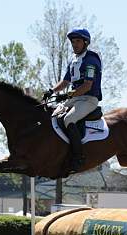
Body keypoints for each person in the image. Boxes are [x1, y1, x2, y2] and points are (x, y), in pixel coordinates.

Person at [43, 28, 102, 173]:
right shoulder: (73, 61)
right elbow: (65, 81)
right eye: (73, 42)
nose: (74, 45)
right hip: (75, 99)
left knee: (69, 119)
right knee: (53, 116)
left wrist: (68, 95)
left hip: (89, 99)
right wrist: (51, 91)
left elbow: (87, 86)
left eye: (78, 42)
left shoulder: (90, 60)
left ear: (85, 43)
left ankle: (78, 157)